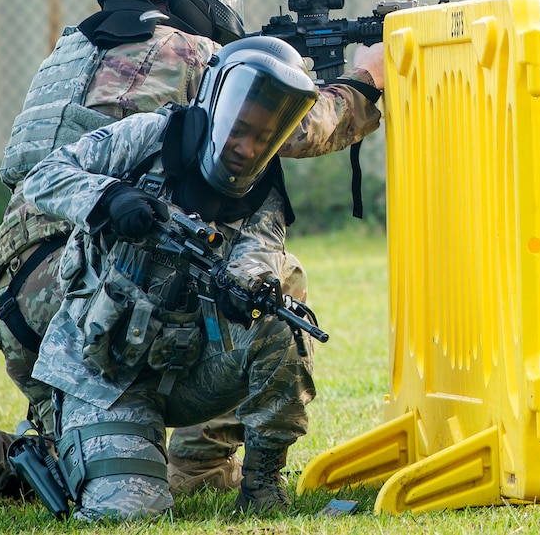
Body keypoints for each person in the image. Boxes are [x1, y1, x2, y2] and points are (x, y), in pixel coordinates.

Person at [0, 0, 386, 513]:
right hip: (92, 279)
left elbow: (25, 166)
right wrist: (364, 84)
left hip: (18, 289)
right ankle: (198, 462)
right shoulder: (190, 52)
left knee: (81, 464)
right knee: (282, 277)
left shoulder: (70, 49)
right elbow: (300, 130)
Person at [20, 36, 332, 519]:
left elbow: (259, 254)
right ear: (214, 104)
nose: (247, 149)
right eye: (240, 130)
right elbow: (44, 176)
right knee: (129, 512)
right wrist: (110, 199)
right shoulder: (148, 137)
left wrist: (247, 288)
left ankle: (263, 487)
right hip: (105, 372)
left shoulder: (263, 192)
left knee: (282, 319)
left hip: (187, 368)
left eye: (263, 138)